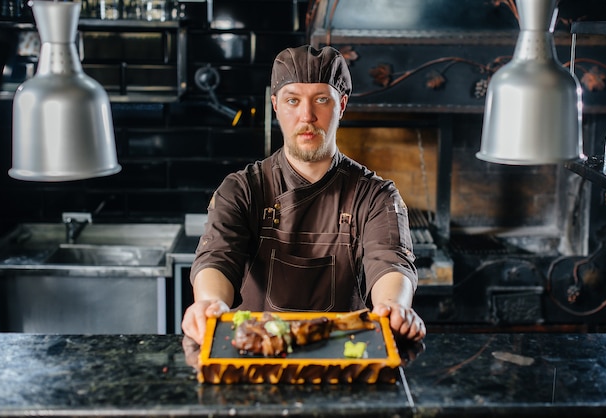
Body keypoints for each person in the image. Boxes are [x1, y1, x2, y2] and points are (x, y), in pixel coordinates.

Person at [182, 45, 426, 348]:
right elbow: (217, 256)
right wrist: (209, 302)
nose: (306, 116)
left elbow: (391, 262)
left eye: (321, 100)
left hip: (345, 358)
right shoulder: (242, 189)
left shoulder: (375, 195)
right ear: (275, 105)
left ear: (342, 105)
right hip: (256, 353)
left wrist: (394, 306)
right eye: (292, 100)